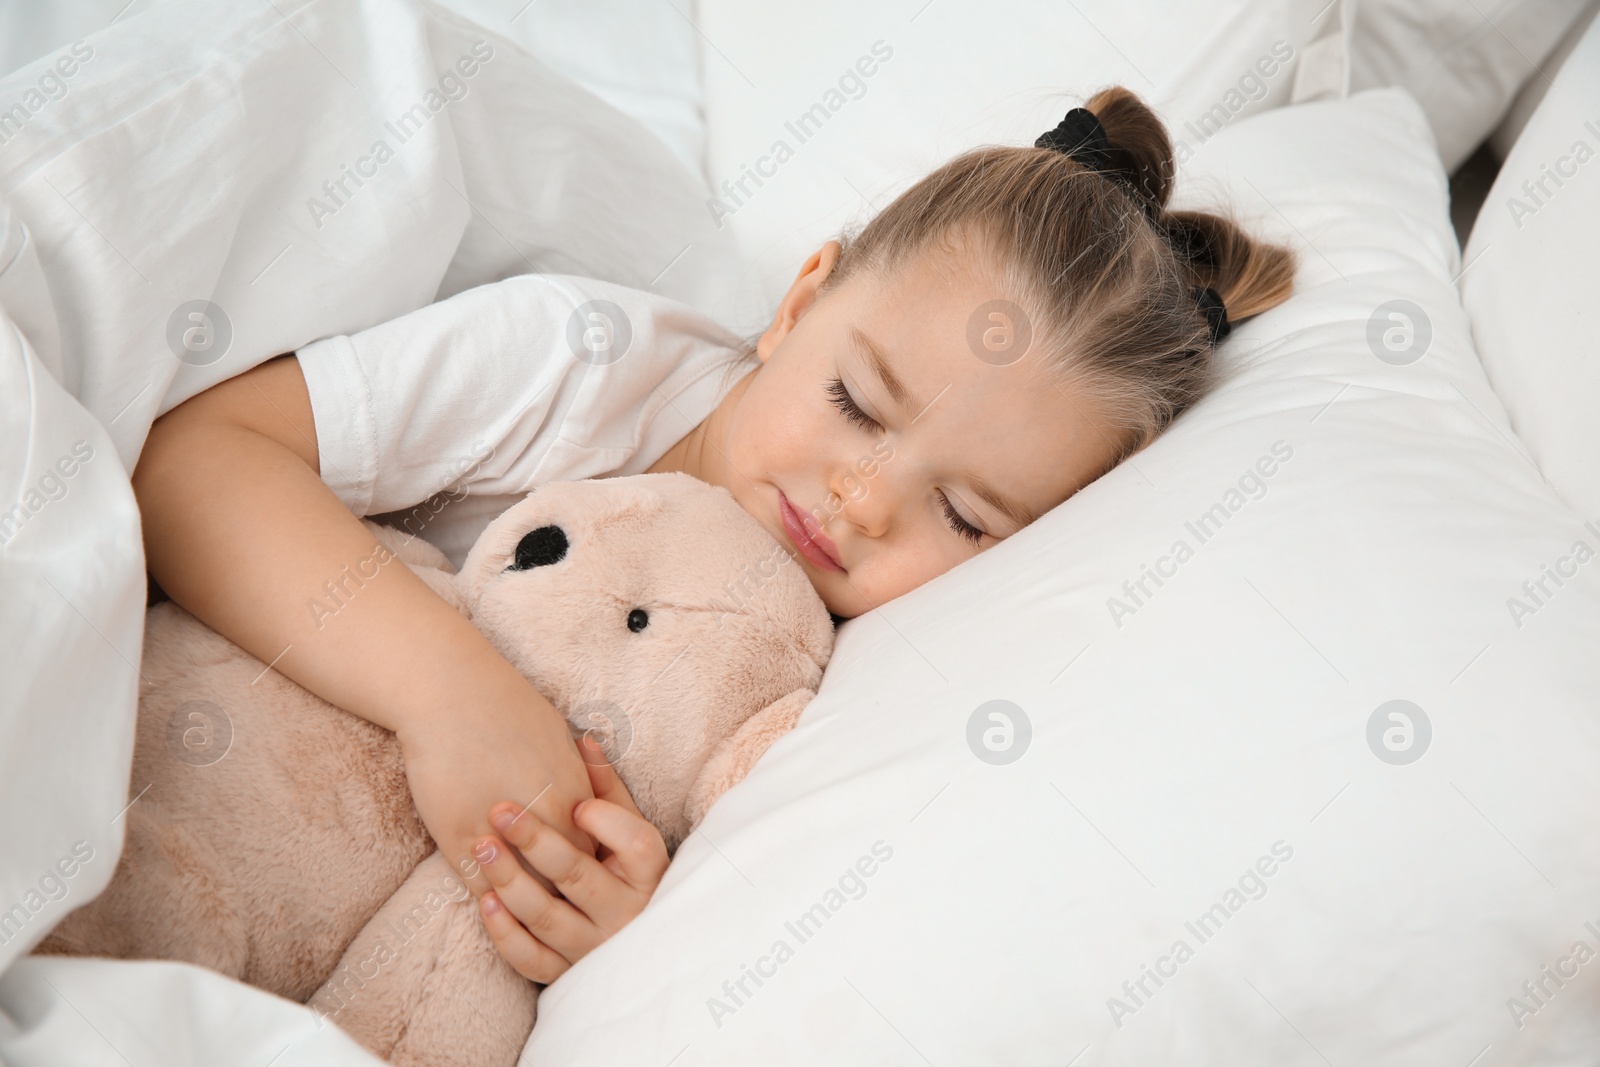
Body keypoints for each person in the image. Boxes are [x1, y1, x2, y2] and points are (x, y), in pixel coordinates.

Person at [131, 85, 1295, 987]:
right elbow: (191, 460)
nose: (863, 498)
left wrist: (629, 921)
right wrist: (451, 692)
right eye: (857, 401)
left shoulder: (845, 678)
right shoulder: (577, 363)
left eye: (962, 514)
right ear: (798, 304)